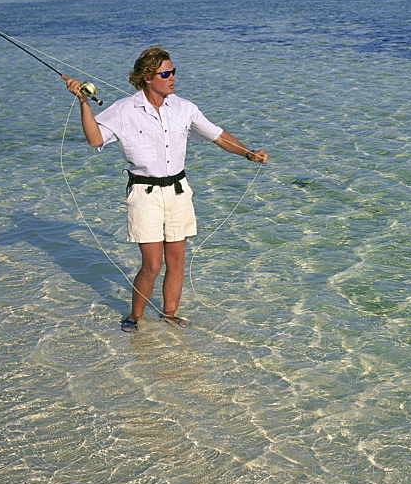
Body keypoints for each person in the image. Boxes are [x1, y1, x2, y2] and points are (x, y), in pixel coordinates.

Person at [65, 46, 267, 332]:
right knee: (152, 265)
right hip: (144, 193)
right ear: (148, 77)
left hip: (178, 191)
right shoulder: (124, 109)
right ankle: (135, 316)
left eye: (173, 72)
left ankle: (170, 314)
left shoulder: (184, 107)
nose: (172, 78)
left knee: (177, 260)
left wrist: (248, 153)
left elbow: (217, 135)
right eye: (165, 73)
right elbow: (94, 139)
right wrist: (83, 103)